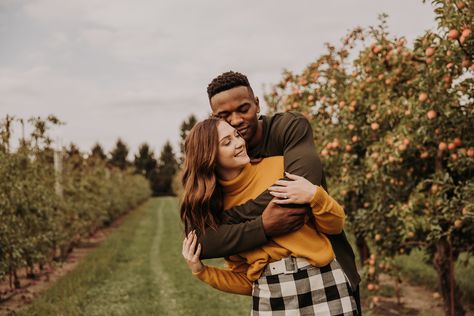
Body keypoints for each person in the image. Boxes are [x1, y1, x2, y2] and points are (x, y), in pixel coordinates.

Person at [197, 71, 362, 313]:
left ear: (257, 103)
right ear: (215, 118)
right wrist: (263, 225)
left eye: (243, 109)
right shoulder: (217, 176)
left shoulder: (288, 128)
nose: (236, 120)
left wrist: (227, 221)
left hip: (331, 269)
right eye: (224, 116)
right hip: (274, 287)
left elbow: (298, 194)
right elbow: (203, 242)